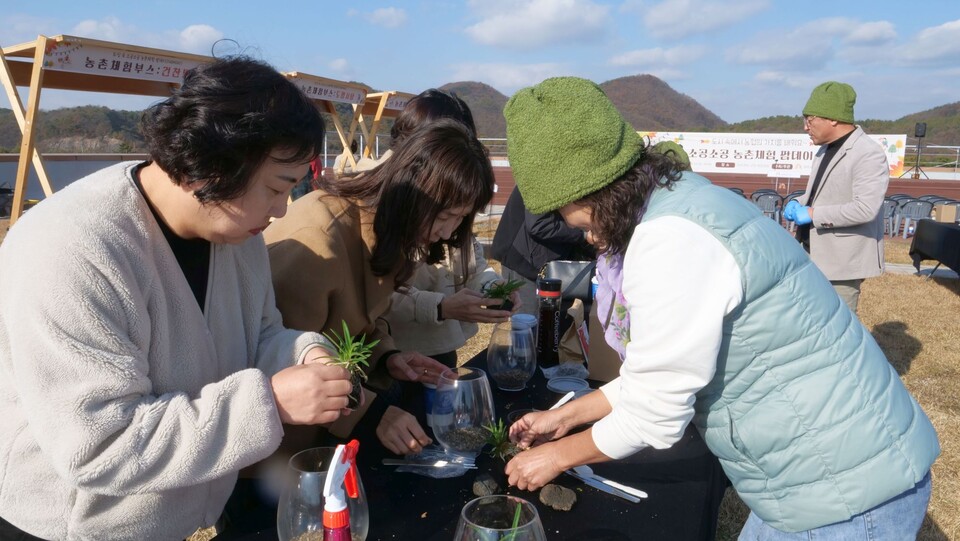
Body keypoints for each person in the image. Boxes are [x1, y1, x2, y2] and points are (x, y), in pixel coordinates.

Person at [501, 77, 939, 539]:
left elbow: (655, 414)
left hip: (844, 488)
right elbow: (655, 373)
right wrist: (563, 417)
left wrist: (555, 455)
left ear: (586, 191)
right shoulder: (681, 199)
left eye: (574, 217)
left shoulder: (669, 239)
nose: (586, 236)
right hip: (823, 472)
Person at [0, 57, 355, 540]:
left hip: (168, 517)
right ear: (212, 166)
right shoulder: (74, 247)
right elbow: (99, 443)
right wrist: (269, 403)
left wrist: (303, 352)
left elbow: (261, 332)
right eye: (277, 187)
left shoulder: (237, 234)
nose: (281, 210)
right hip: (70, 525)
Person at [264, 118, 495, 456]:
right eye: (445, 216)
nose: (447, 233)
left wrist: (388, 357)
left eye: (459, 219)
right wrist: (372, 413)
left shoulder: (387, 231)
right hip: (282, 446)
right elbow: (288, 357)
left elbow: (359, 325)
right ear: (414, 191)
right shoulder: (317, 241)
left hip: (326, 423)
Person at [382, 89, 516, 368]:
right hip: (391, 352)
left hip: (438, 343)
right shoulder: (385, 205)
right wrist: (440, 306)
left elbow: (472, 261)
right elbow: (378, 294)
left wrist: (493, 288)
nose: (446, 231)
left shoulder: (452, 200)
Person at [783, 81, 889, 313]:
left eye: (809, 120)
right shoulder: (824, 150)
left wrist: (812, 214)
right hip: (812, 254)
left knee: (838, 330)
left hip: (841, 262)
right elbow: (823, 194)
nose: (805, 127)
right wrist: (800, 202)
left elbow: (865, 208)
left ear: (832, 118)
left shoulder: (867, 153)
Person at [491, 188, 594, 316]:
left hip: (551, 262)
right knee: (527, 323)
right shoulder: (545, 175)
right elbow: (539, 224)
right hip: (525, 262)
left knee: (551, 323)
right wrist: (583, 234)